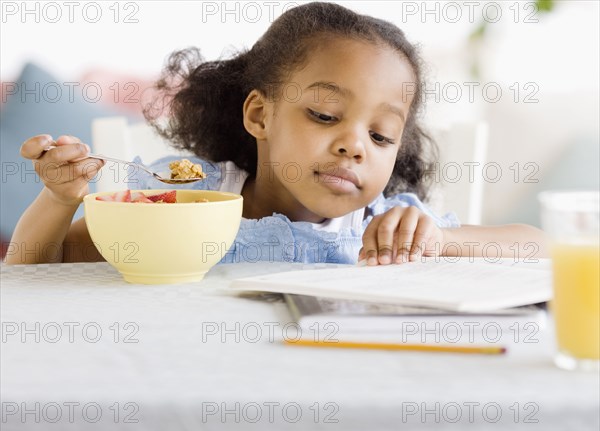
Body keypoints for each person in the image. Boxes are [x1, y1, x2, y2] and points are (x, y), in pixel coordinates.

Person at [6, 2, 547, 266]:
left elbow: (540, 248)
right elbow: (36, 267)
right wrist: (59, 199)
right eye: (325, 115)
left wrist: (441, 241)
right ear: (260, 116)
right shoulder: (190, 202)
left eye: (381, 137)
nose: (355, 145)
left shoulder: (390, 224)